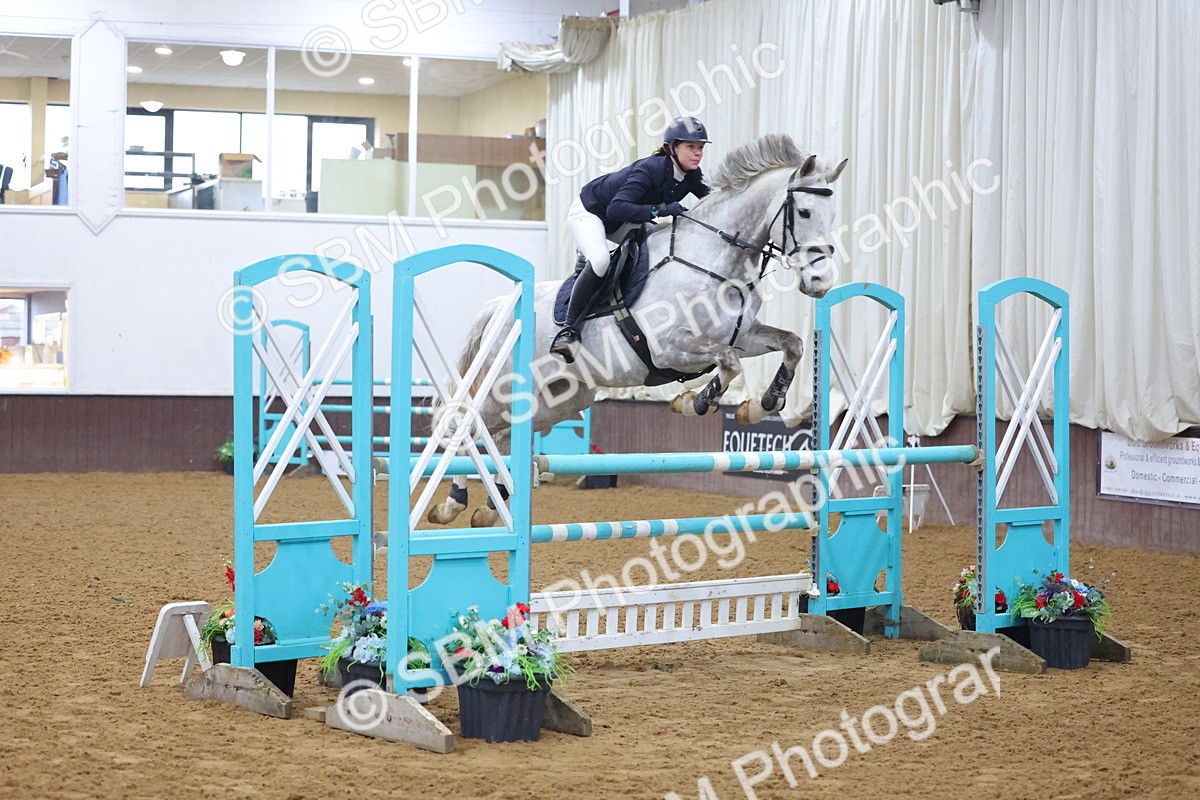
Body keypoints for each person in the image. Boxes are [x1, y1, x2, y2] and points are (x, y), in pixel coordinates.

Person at [550, 115, 712, 362]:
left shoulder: (691, 175)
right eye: (690, 146)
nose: (697, 153)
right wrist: (660, 210)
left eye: (700, 147)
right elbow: (615, 208)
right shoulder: (650, 169)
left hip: (623, 219)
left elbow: (712, 200)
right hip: (592, 212)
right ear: (672, 147)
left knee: (662, 241)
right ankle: (568, 331)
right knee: (601, 261)